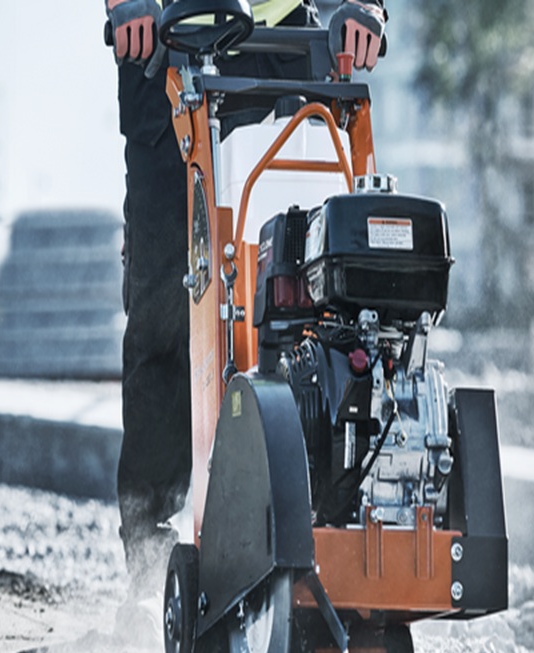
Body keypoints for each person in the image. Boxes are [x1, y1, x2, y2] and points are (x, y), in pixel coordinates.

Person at [105, 0, 387, 594]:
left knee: (302, 291)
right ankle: (152, 564)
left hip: (286, 48)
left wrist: (363, 5)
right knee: (164, 309)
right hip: (167, 43)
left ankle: (318, 511)